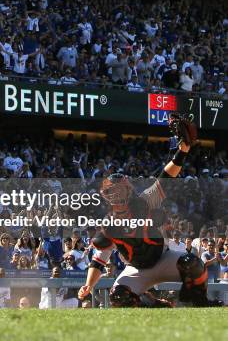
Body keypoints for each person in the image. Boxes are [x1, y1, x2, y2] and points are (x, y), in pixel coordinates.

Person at [78, 114, 223, 307]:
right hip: (136, 269)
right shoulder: (109, 224)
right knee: (119, 298)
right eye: (114, 193)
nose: (118, 197)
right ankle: (156, 305)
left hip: (163, 259)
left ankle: (201, 302)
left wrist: (182, 151)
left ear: (128, 191)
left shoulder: (144, 201)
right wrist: (88, 285)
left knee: (193, 264)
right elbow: (98, 260)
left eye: (120, 192)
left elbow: (166, 177)